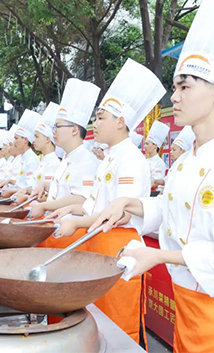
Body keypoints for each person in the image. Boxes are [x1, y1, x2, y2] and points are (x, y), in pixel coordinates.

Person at [88, 0, 214, 352]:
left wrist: (159, 256)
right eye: (176, 87)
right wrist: (130, 203)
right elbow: (172, 212)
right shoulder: (185, 161)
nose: (174, 98)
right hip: (188, 315)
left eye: (185, 86)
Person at [51, 58, 167, 346]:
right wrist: (69, 209)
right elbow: (92, 204)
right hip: (97, 245)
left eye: (101, 117)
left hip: (119, 248)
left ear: (120, 122)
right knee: (97, 323)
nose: (95, 124)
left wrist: (76, 220)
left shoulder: (129, 158)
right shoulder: (109, 158)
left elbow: (119, 212)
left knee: (119, 324)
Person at [29, 78, 100, 249]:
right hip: (56, 229)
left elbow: (81, 198)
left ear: (74, 130)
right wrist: (45, 185)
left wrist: (44, 205)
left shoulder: (86, 160)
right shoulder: (67, 158)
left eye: (57, 127)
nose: (53, 132)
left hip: (72, 236)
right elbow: (62, 192)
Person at [14, 102, 61, 204]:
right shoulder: (43, 160)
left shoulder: (53, 163)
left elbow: (49, 196)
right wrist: (27, 191)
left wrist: (26, 197)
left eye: (36, 136)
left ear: (48, 139)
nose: (33, 140)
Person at [1, 110, 41, 198]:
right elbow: (19, 184)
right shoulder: (21, 158)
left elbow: (30, 188)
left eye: (16, 138)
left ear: (25, 140)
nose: (14, 142)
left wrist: (12, 190)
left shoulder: (32, 159)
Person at [144, 121, 170, 191]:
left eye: (147, 144)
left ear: (155, 146)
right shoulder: (145, 161)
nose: (144, 146)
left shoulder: (159, 163)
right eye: (144, 144)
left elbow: (155, 183)